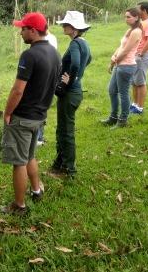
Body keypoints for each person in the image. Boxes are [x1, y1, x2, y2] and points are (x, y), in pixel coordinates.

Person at [2, 12, 61, 215]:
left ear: (33, 31)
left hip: (23, 117)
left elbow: (18, 90)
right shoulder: (54, 52)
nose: (20, 32)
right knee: (30, 155)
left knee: (19, 162)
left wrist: (7, 112)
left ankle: (19, 206)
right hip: (39, 116)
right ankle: (36, 191)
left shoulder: (29, 55)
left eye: (23, 29)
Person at [48, 11, 91, 178]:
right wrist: (78, 75)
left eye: (66, 24)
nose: (63, 27)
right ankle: (60, 163)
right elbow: (89, 59)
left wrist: (69, 80)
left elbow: (75, 63)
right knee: (63, 129)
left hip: (70, 93)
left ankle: (69, 170)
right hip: (75, 92)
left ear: (74, 28)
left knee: (66, 132)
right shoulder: (84, 42)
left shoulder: (74, 44)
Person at [101, 8, 142, 128]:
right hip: (120, 64)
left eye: (129, 17)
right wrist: (113, 57)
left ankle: (123, 120)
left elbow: (126, 51)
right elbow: (121, 47)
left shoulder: (137, 32)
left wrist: (114, 61)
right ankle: (113, 117)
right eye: (125, 17)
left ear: (136, 18)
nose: (126, 19)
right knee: (112, 90)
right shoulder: (130, 30)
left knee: (123, 93)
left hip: (127, 66)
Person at [130, 1, 148, 115]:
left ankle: (140, 107)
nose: (136, 12)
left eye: (138, 10)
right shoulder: (142, 22)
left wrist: (141, 53)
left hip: (144, 55)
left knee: (140, 82)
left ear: (144, 10)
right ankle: (134, 104)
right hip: (136, 55)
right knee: (134, 81)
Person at [36, 28, 59, 145]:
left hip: (44, 76)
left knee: (38, 107)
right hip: (50, 76)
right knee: (42, 107)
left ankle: (38, 138)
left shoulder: (47, 40)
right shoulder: (53, 38)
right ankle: (39, 137)